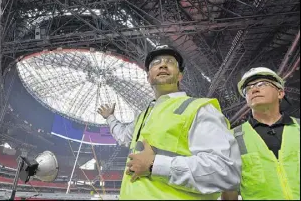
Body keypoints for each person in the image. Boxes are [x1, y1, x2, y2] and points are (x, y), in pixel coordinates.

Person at [97, 45, 241, 200]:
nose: (163, 64)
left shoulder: (199, 109)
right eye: (155, 63)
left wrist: (155, 165)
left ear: (180, 76)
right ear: (148, 77)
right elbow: (124, 137)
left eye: (170, 62)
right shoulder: (144, 115)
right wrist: (110, 117)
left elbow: (225, 171)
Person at [221, 67, 300, 200]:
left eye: (262, 84)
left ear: (280, 93)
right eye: (248, 88)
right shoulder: (232, 137)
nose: (254, 89)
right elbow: (229, 190)